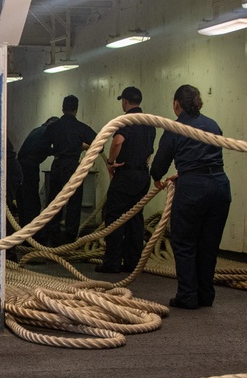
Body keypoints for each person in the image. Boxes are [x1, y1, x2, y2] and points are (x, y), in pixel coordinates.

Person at [150, 84, 231, 310]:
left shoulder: (175, 128)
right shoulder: (212, 125)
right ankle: (206, 295)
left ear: (176, 104)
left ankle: (187, 296)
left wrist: (158, 177)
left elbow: (159, 165)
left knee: (184, 243)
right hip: (220, 186)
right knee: (209, 244)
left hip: (192, 188)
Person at [96, 86, 156, 274]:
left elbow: (117, 141)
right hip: (142, 176)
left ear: (125, 101)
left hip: (126, 175)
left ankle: (112, 262)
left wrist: (111, 162)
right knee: (135, 218)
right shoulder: (149, 123)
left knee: (115, 218)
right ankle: (132, 262)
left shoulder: (125, 121)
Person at [44, 96, 97, 245]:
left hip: (57, 165)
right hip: (73, 167)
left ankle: (52, 235)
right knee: (74, 201)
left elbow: (45, 147)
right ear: (76, 109)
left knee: (55, 201)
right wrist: (79, 147)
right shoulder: (80, 127)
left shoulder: (53, 127)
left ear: (62, 108)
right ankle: (70, 237)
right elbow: (99, 143)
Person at [16, 116, 58, 227]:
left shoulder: (37, 130)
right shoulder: (47, 132)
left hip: (21, 167)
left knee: (23, 200)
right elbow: (46, 149)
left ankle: (24, 228)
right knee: (32, 201)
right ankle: (33, 232)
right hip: (29, 168)